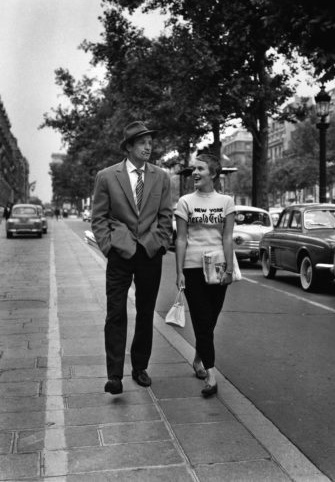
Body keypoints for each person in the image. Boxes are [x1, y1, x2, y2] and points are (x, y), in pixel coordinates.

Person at [92, 120, 172, 395]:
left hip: (149, 253)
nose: (148, 147)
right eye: (142, 143)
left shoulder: (161, 177)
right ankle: (114, 375)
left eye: (150, 143)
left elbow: (166, 216)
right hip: (120, 252)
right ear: (128, 147)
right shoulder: (106, 176)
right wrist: (108, 246)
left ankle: (140, 367)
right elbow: (99, 217)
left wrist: (159, 243)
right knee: (115, 312)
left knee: (146, 312)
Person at [175, 153, 235, 398]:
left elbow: (227, 237)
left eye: (200, 169)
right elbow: (180, 238)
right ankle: (211, 374)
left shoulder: (226, 202)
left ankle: (198, 359)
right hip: (191, 267)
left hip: (218, 266)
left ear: (213, 174)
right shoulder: (185, 202)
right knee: (201, 319)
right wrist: (178, 271)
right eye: (193, 169)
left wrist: (230, 269)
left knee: (210, 320)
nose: (195, 173)